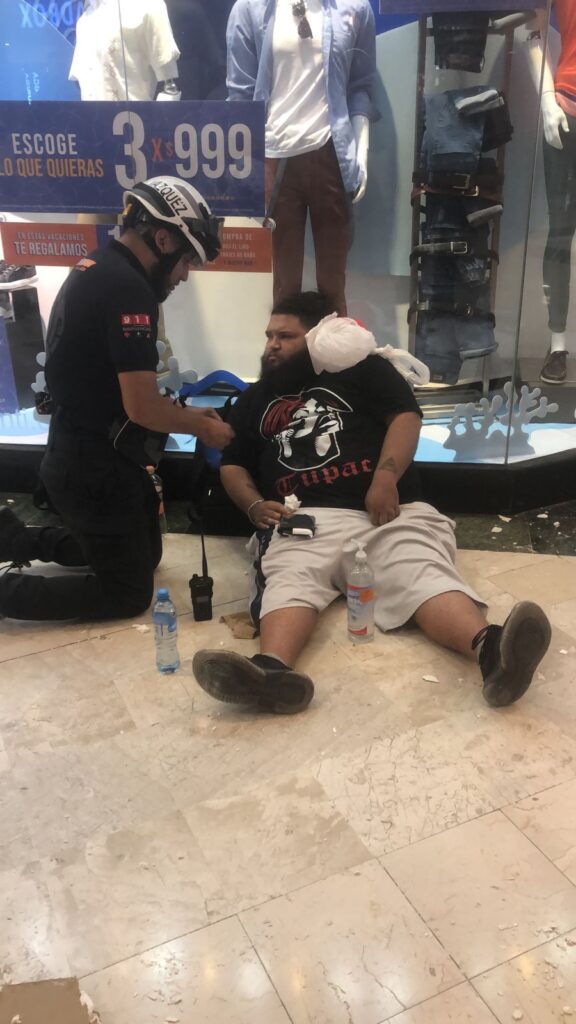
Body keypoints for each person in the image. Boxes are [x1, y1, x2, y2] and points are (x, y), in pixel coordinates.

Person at [191, 290, 551, 714]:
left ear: (317, 337)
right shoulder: (257, 398)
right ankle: (271, 672)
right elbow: (233, 465)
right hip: (304, 515)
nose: (272, 345)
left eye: (285, 337)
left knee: (420, 569)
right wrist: (253, 506)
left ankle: (491, 651)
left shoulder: (366, 369)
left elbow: (405, 417)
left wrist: (385, 477)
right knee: (289, 574)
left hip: (387, 511)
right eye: (269, 336)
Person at [0, 176, 233, 622]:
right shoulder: (128, 289)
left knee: (146, 556)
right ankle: (7, 593)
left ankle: (15, 539)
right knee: (128, 594)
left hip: (85, 452)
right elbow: (141, 407)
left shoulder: (99, 265)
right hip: (91, 469)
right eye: (187, 260)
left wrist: (188, 414)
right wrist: (203, 427)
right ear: (163, 239)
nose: (184, 274)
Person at [226, 0, 378, 315]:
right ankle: (285, 348)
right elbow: (240, 95)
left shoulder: (355, 8)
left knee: (333, 286)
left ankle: (335, 348)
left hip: (331, 155)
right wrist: (247, 168)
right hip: (275, 158)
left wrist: (361, 152)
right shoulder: (250, 9)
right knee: (285, 286)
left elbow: (360, 87)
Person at [527, 3, 576, 385]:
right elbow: (534, 32)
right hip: (567, 108)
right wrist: (545, 99)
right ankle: (558, 344)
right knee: (560, 230)